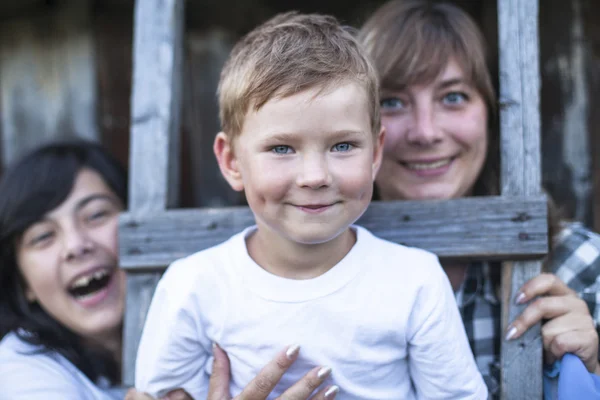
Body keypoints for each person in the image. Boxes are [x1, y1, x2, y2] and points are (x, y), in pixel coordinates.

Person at [134, 11, 487, 400]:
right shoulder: (193, 288)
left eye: (342, 146)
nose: (315, 176)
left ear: (375, 152)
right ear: (232, 161)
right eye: (282, 148)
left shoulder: (415, 281)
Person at [357, 0, 600, 397]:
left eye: (452, 97)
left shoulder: (580, 266)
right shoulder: (298, 272)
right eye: (391, 102)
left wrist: (589, 372)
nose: (425, 132)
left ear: (492, 114)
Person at [0, 141, 128, 399]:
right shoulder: (20, 371)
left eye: (96, 215)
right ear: (24, 284)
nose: (76, 245)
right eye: (43, 236)